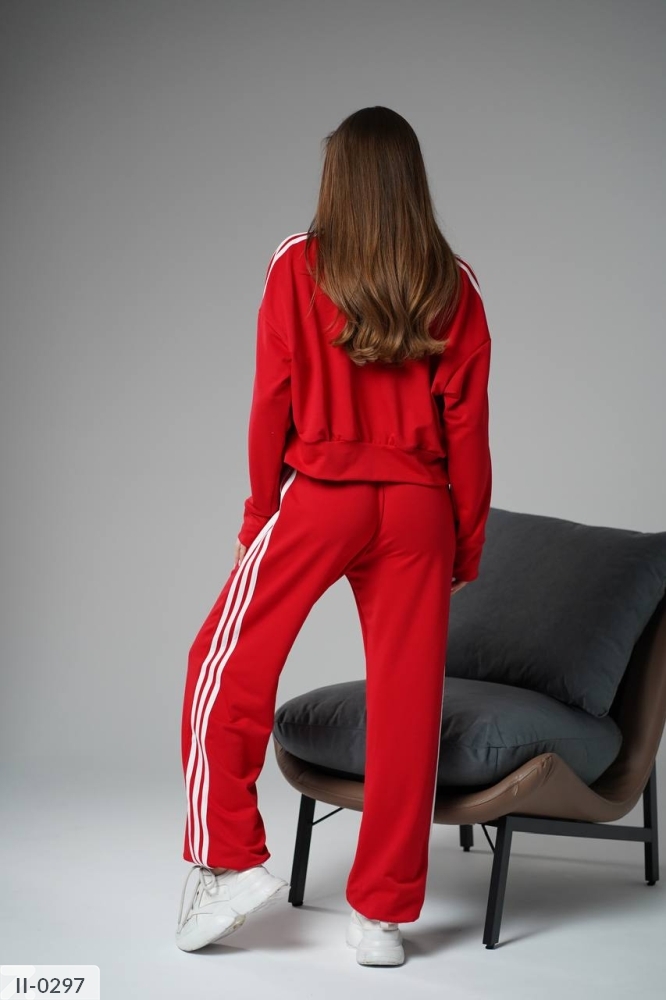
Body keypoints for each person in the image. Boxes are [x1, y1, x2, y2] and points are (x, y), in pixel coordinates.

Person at [176, 105, 492, 966]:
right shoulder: (454, 282)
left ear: (338, 179)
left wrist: (257, 516)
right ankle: (382, 918)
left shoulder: (297, 264)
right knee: (408, 707)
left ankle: (226, 861)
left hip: (322, 494)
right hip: (422, 509)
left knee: (223, 667)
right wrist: (465, 542)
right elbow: (469, 428)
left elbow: (269, 400)